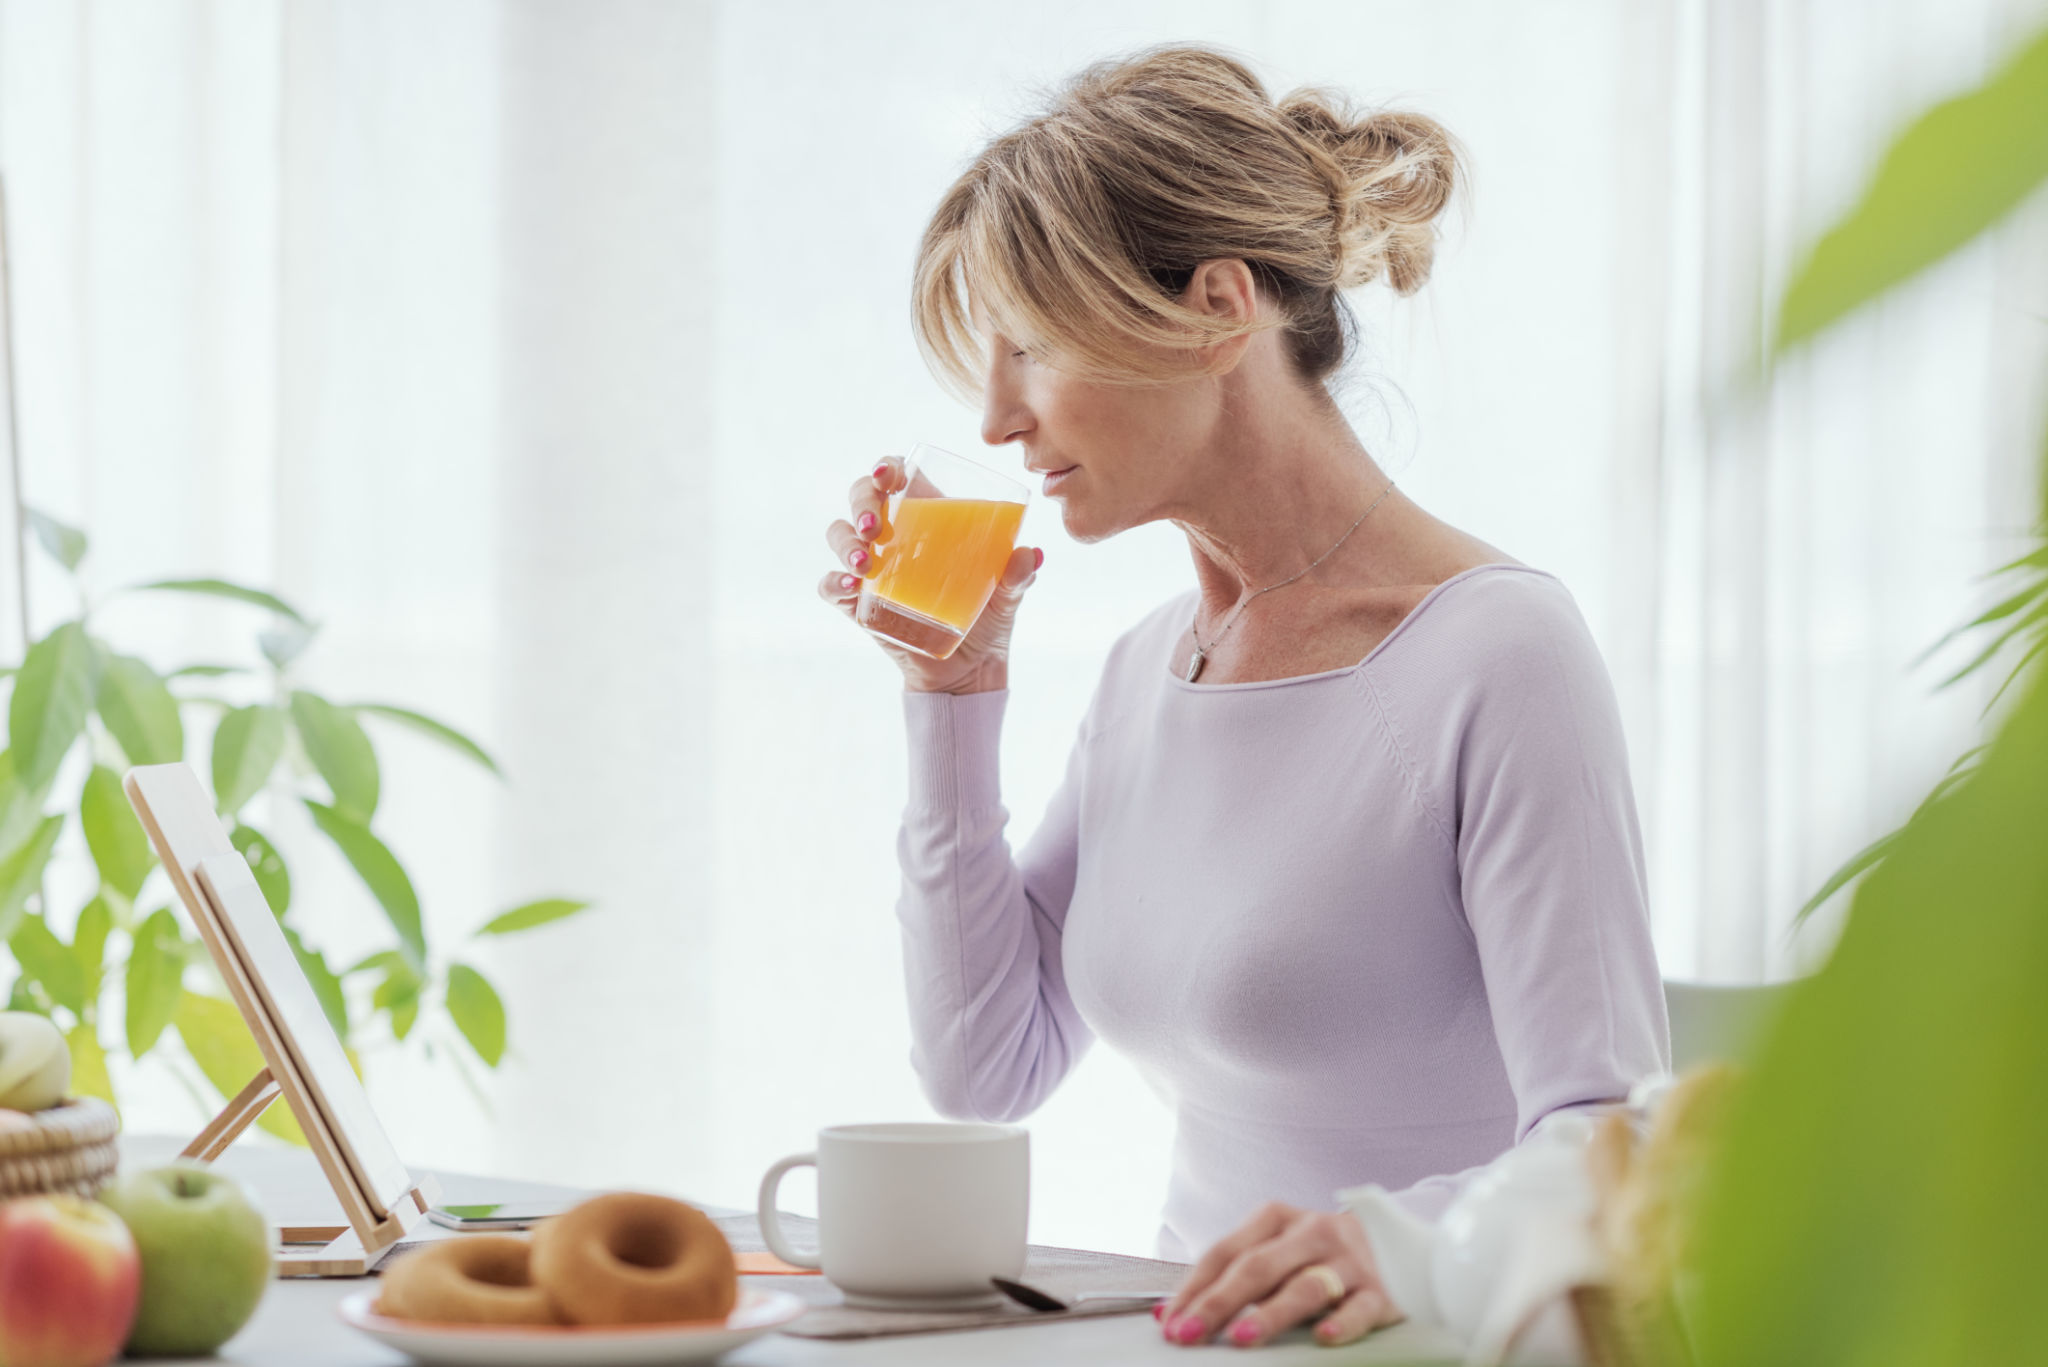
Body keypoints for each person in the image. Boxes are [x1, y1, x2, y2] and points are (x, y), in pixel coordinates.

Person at [817, 45, 1667, 1351]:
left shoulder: (1501, 655)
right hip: (1181, 1335)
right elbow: (986, 1069)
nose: (994, 421)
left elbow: (1603, 1142)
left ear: (1220, 308)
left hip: (1421, 1344)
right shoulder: (1153, 663)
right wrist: (954, 692)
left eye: (1031, 349)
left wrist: (1393, 1240)